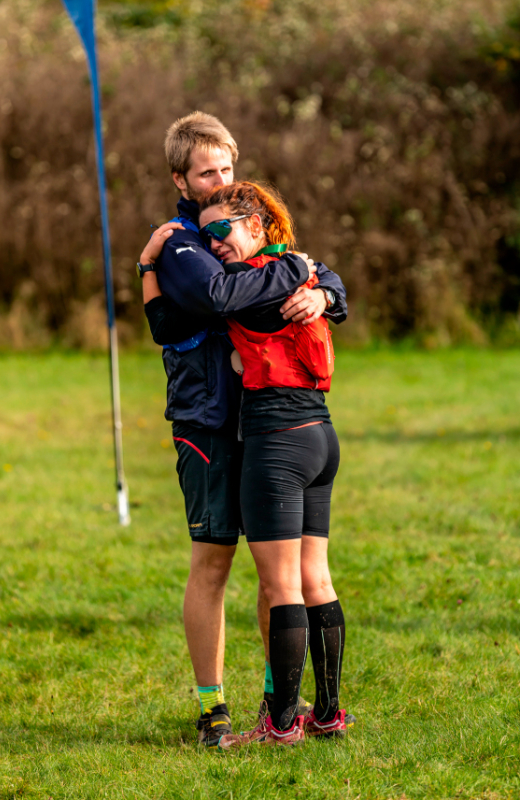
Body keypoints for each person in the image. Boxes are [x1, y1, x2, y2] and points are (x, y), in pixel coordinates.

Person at [137, 112, 347, 747]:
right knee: (214, 562)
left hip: (267, 428)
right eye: (207, 173)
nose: (222, 180)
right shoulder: (180, 241)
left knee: (276, 569)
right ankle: (212, 708)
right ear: (181, 177)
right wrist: (305, 271)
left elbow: (304, 273)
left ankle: (277, 703)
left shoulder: (240, 227)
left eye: (227, 168)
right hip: (208, 422)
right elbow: (223, 296)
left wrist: (326, 290)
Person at [194, 181, 354, 745]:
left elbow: (217, 297)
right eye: (206, 233)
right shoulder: (293, 269)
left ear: (257, 227)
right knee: (316, 578)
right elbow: (325, 279)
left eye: (222, 230)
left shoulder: (250, 282)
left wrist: (322, 286)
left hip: (278, 441)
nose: (214, 244)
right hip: (320, 437)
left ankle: (281, 725)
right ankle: (329, 715)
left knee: (285, 586)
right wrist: (317, 280)